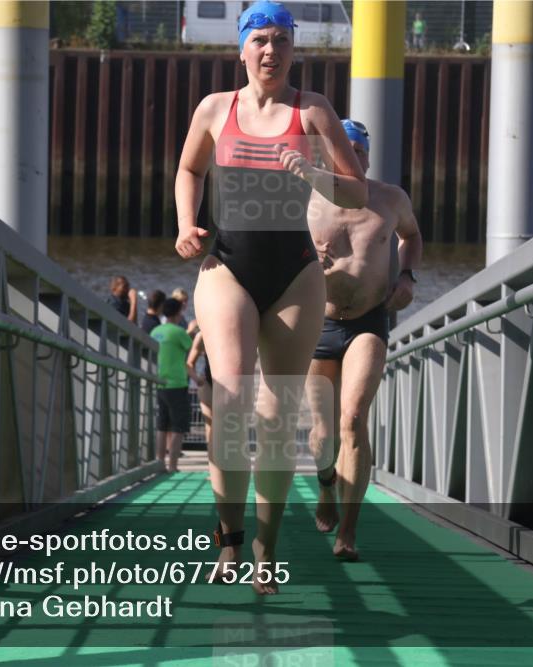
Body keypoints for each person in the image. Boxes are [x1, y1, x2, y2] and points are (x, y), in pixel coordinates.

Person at [174, 0, 367, 594]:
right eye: (260, 39)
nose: (271, 50)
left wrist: (313, 175)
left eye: (281, 40)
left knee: (279, 414)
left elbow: (356, 191)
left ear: (293, 49)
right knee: (231, 398)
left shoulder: (312, 110)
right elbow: (189, 171)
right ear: (241, 49)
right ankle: (229, 538)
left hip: (295, 273)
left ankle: (266, 549)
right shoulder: (215, 109)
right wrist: (185, 224)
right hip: (226, 265)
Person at [306, 119, 422, 561]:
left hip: (369, 322)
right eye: (344, 150)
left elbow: (412, 236)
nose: (352, 157)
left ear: (368, 158)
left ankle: (348, 532)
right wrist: (303, 259)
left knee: (353, 418)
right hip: (317, 323)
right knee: (323, 433)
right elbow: (270, 253)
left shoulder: (391, 198)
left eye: (359, 151)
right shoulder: (306, 199)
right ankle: (325, 487)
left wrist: (407, 276)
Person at [150, 298, 200, 473]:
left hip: (160, 382)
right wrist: (192, 330)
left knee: (162, 426)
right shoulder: (178, 332)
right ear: (178, 313)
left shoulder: (155, 331)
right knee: (178, 427)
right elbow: (193, 346)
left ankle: (160, 463)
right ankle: (172, 466)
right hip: (177, 383)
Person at [186, 330, 214, 447]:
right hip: (208, 383)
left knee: (228, 426)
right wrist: (197, 379)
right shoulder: (202, 335)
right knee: (211, 426)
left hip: (230, 384)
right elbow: (189, 364)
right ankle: (212, 458)